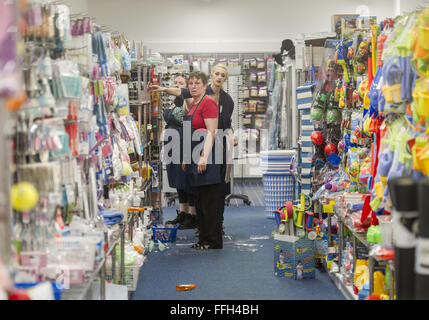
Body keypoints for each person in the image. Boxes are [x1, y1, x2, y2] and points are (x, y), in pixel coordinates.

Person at [152, 64, 235, 234]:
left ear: (225, 78)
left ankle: (216, 224)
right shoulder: (199, 94)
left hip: (216, 147)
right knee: (200, 189)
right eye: (216, 74)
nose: (219, 77)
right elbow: (179, 92)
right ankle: (204, 225)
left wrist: (231, 136)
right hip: (198, 147)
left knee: (217, 190)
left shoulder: (227, 100)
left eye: (222, 75)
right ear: (211, 75)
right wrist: (162, 89)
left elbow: (226, 124)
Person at [162, 75, 197, 229]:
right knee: (177, 180)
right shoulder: (173, 103)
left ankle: (192, 215)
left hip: (184, 143)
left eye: (180, 83)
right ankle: (183, 214)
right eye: (175, 82)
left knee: (186, 180)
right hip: (172, 144)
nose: (177, 85)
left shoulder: (188, 101)